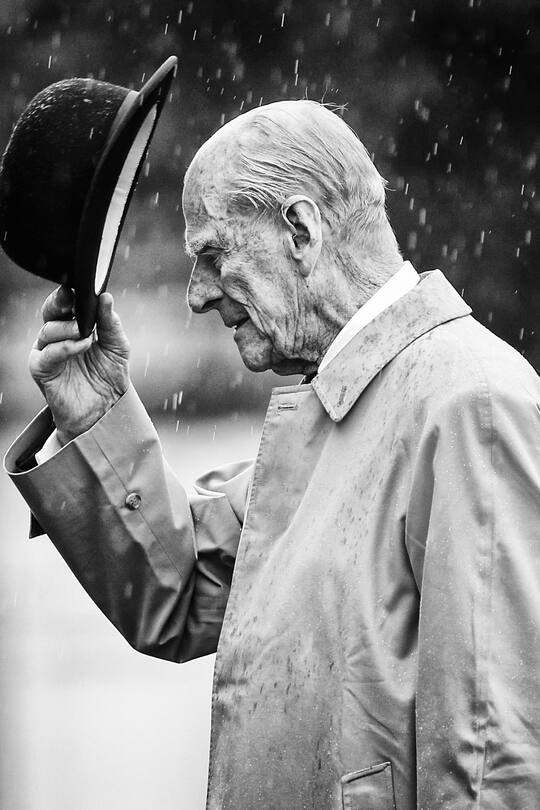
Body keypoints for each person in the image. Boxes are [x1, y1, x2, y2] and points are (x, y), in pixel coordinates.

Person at [5, 100, 540, 809]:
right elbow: (180, 597)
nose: (197, 295)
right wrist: (95, 410)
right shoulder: (349, 399)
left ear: (300, 231)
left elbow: (493, 766)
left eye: (212, 255)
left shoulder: (470, 403)